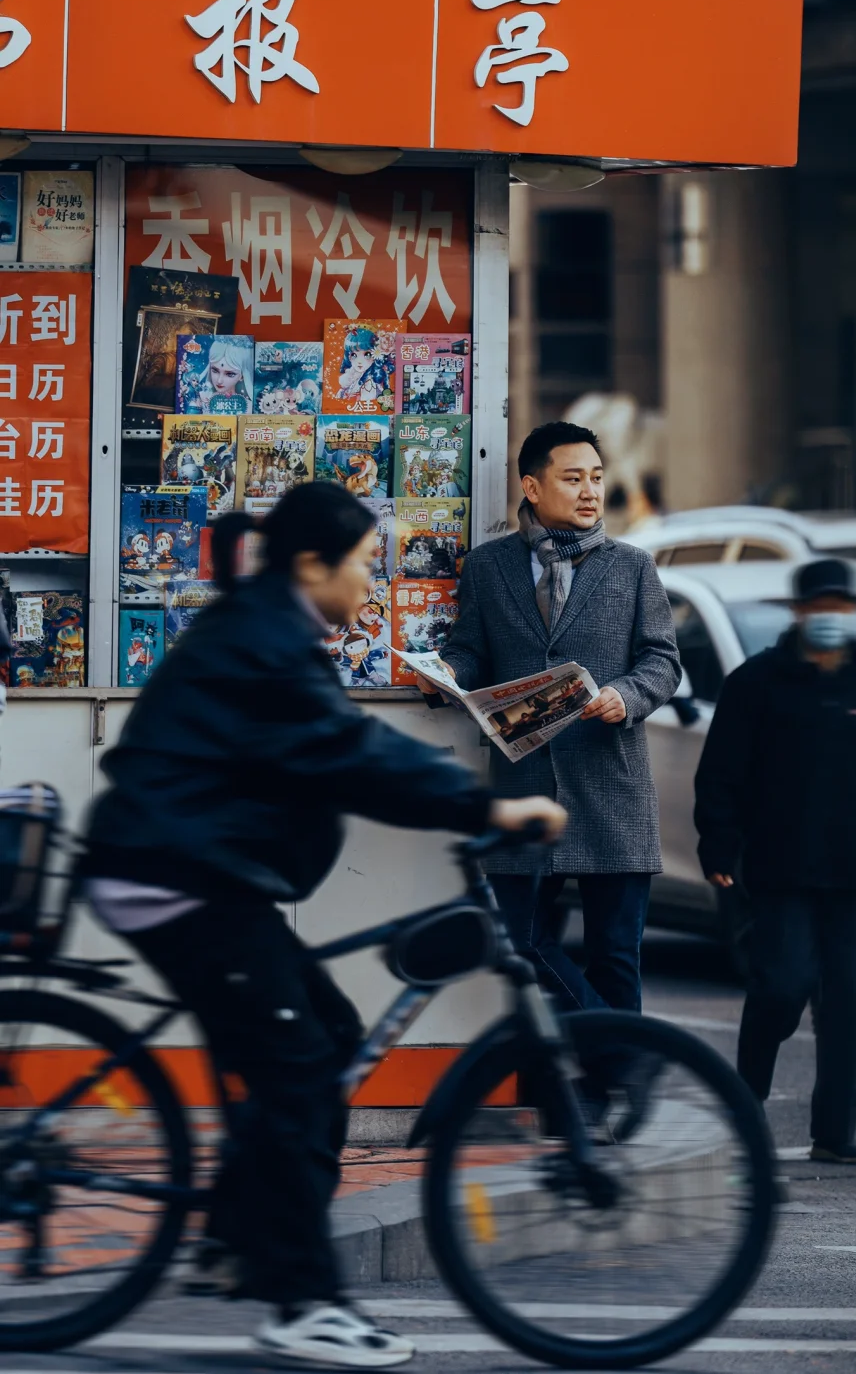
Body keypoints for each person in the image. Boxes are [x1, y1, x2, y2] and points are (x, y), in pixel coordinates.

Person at [81, 482, 565, 1370]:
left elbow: (340, 747)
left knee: (326, 1036)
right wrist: (483, 809)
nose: (370, 583)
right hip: (176, 879)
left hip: (197, 869)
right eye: (364, 566)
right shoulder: (268, 640)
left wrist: (452, 800)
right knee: (301, 1063)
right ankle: (302, 1302)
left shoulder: (273, 628)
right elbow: (351, 752)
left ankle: (236, 1238)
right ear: (313, 565)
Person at [424, 421, 680, 1017]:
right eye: (573, 479)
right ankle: (612, 1052)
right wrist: (443, 674)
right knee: (519, 942)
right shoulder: (489, 568)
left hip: (611, 788)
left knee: (616, 956)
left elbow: (662, 661)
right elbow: (470, 650)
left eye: (596, 477)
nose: (590, 491)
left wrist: (627, 696)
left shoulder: (632, 566)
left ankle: (610, 1086)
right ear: (534, 488)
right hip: (525, 788)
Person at [694, 557, 856, 1165]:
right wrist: (718, 842)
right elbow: (722, 772)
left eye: (840, 607)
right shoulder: (758, 682)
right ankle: (745, 1100)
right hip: (781, 867)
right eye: (819, 607)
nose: (830, 618)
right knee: (780, 989)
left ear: (851, 611)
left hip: (853, 874)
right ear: (800, 611)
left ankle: (834, 1136)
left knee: (847, 1007)